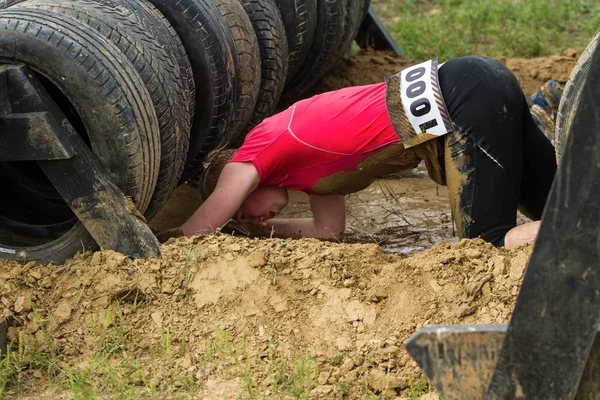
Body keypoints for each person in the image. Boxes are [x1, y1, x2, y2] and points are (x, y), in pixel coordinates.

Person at [175, 55, 559, 248]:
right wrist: (258, 233)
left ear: (238, 186)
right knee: (561, 206)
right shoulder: (308, 173)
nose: (255, 220)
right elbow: (328, 231)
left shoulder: (257, 147)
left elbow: (195, 232)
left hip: (463, 100)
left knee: (486, 243)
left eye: (244, 211)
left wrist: (153, 242)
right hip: (478, 80)